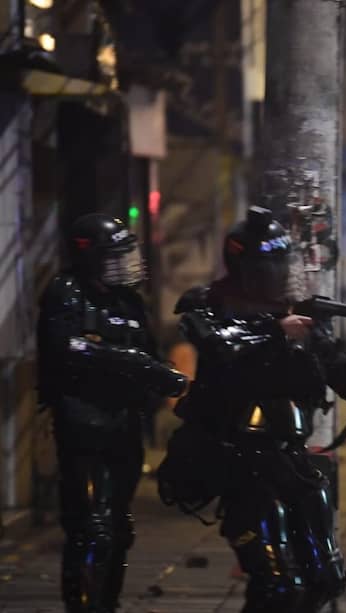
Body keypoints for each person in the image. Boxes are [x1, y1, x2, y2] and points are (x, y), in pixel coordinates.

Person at [158, 206, 346, 612]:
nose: (278, 274)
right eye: (268, 265)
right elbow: (220, 344)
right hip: (238, 460)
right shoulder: (209, 304)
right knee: (277, 585)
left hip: (289, 461)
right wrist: (274, 331)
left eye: (282, 263)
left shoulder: (302, 315)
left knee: (325, 579)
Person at [36, 213, 188, 613]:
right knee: (92, 529)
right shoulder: (66, 291)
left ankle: (108, 603)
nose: (125, 262)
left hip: (125, 425)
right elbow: (67, 346)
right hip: (83, 424)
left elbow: (150, 355)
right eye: (114, 255)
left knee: (118, 529)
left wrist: (166, 380)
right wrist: (131, 361)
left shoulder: (130, 301)